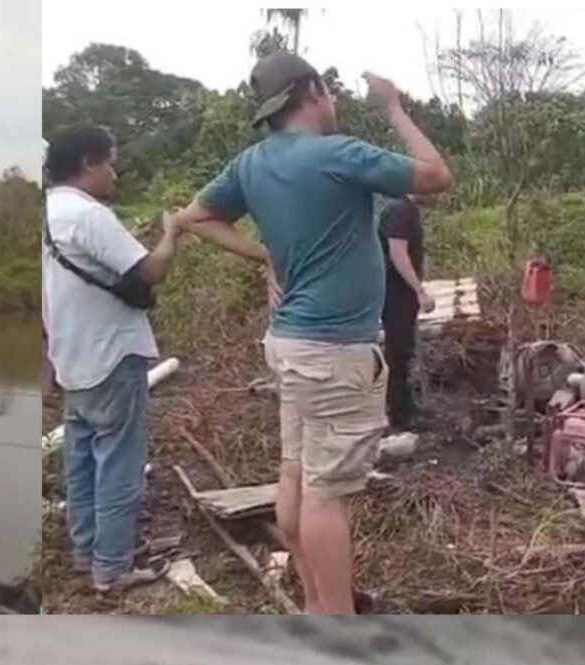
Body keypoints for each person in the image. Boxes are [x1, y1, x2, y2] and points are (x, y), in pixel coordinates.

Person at [172, 54, 453, 614]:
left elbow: (194, 217)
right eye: (330, 91)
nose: (335, 101)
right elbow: (436, 175)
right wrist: (394, 106)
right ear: (314, 91)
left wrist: (265, 255)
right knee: (328, 496)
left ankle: (315, 604)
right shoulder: (338, 154)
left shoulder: (251, 164)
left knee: (296, 475)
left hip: (290, 344)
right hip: (334, 351)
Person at [43, 122, 182, 597]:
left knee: (80, 463)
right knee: (119, 466)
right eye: (111, 162)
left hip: (73, 360)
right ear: (89, 163)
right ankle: (112, 568)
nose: (115, 174)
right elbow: (153, 270)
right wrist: (172, 232)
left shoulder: (48, 213)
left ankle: (86, 554)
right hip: (112, 357)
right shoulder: (90, 216)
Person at [379, 193, 436, 430]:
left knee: (403, 350)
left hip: (402, 293)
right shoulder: (399, 210)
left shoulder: (407, 209)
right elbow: (397, 252)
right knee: (397, 353)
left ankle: (406, 405)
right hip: (394, 292)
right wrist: (419, 290)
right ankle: (399, 414)